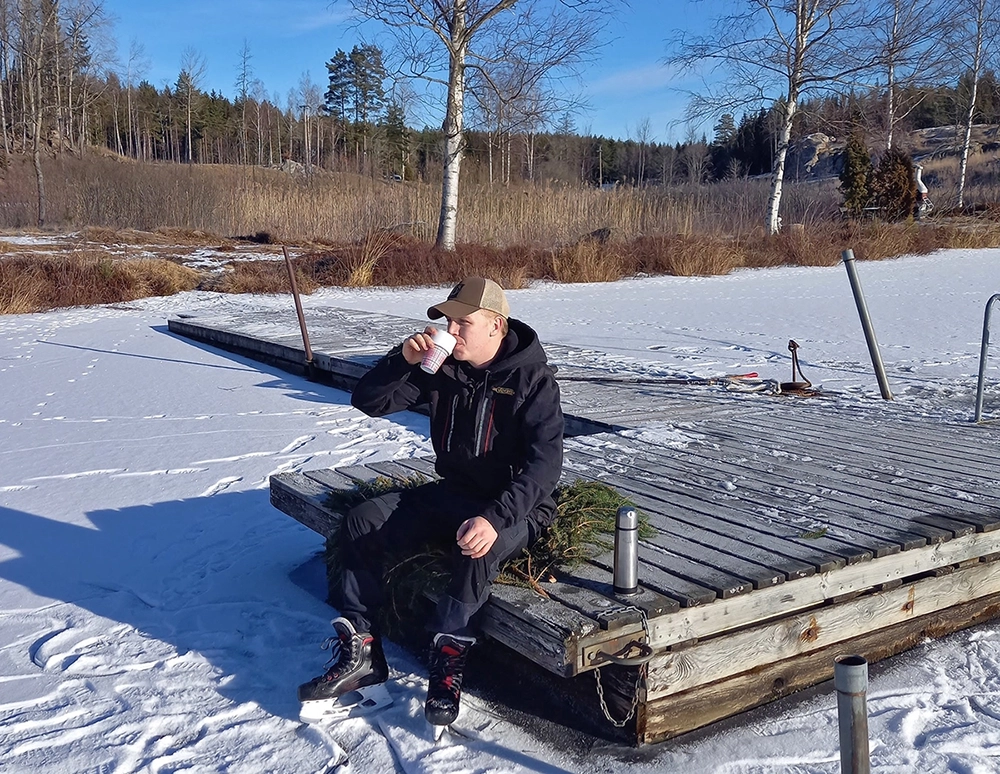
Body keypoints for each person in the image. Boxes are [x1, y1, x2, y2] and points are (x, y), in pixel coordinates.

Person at [298, 277, 564, 728]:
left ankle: (448, 662)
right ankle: (362, 653)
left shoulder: (532, 380)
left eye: (463, 323)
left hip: (516, 506)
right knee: (363, 520)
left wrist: (495, 518)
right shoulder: (442, 368)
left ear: (496, 325)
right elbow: (370, 402)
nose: (451, 332)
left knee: (476, 545)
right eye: (447, 322)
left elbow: (545, 466)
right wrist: (400, 361)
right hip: (453, 492)